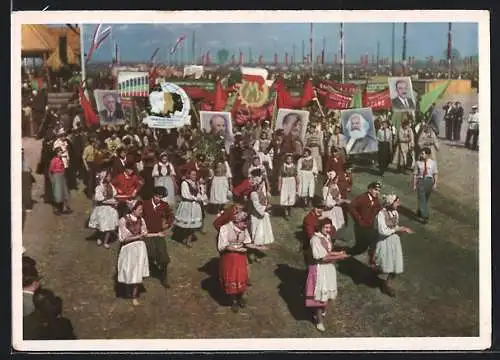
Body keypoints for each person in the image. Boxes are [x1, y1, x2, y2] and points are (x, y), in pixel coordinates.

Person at [305, 218, 349, 332]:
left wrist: (338, 253)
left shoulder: (326, 237)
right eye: (326, 227)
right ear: (320, 227)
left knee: (327, 293)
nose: (328, 230)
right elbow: (323, 257)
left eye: (329, 227)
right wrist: (339, 257)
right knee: (320, 296)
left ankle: (320, 312)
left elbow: (328, 252)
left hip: (328, 268)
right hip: (320, 269)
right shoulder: (315, 240)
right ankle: (319, 321)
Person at [217, 211, 267, 313]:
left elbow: (247, 242)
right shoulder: (225, 228)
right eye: (244, 223)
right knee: (231, 278)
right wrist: (237, 249)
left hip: (240, 258)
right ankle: (233, 301)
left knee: (241, 277)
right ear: (237, 221)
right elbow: (222, 246)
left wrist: (258, 247)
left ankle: (241, 296)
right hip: (229, 258)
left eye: (246, 223)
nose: (245, 225)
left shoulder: (243, 229)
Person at [374, 194, 413, 297]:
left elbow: (395, 226)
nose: (399, 204)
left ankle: (387, 284)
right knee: (386, 262)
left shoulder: (395, 213)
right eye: (397, 202)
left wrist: (401, 229)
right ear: (391, 203)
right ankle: (377, 271)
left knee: (395, 264)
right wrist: (398, 229)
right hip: (385, 241)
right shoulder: (381, 214)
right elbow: (382, 230)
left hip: (394, 240)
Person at [116, 201, 150, 306]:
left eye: (142, 209)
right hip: (128, 249)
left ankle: (134, 295)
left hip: (140, 248)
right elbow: (124, 238)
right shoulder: (123, 220)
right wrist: (138, 236)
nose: (141, 211)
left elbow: (145, 231)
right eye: (139, 209)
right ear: (133, 210)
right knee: (128, 270)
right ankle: (127, 290)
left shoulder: (141, 220)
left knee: (137, 272)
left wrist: (144, 234)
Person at [142, 186, 174, 289]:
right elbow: (139, 217)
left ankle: (164, 278)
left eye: (160, 197)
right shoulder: (145, 204)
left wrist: (167, 225)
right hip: (147, 234)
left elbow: (171, 216)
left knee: (164, 257)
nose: (157, 199)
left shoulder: (164, 206)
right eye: (156, 196)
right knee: (149, 253)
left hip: (159, 233)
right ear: (153, 194)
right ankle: (149, 268)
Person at [348, 181, 382, 267]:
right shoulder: (363, 198)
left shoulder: (376, 200)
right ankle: (344, 255)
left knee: (372, 242)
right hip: (361, 227)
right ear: (370, 189)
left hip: (370, 226)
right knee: (360, 247)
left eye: (378, 190)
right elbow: (351, 206)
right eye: (375, 190)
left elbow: (379, 209)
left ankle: (372, 261)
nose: (377, 192)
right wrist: (359, 219)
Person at [88, 171, 119, 249]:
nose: (110, 178)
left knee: (109, 226)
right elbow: (98, 197)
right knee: (101, 225)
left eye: (110, 176)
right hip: (102, 208)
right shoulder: (100, 187)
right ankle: (100, 237)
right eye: (108, 176)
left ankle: (106, 241)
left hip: (110, 209)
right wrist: (106, 200)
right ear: (104, 177)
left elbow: (115, 194)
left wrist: (114, 200)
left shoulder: (111, 186)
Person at [174, 169, 204, 248]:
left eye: (195, 174)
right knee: (186, 223)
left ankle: (189, 240)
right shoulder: (185, 183)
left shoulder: (196, 183)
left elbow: (198, 193)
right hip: (187, 205)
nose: (194, 176)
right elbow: (185, 195)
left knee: (192, 224)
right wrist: (195, 198)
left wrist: (200, 197)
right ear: (189, 175)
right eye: (193, 174)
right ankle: (183, 237)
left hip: (195, 206)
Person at [412, 147, 438, 224]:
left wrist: (435, 183)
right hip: (421, 181)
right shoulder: (418, 163)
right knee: (422, 199)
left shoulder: (433, 163)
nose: (421, 155)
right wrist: (414, 185)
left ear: (428, 155)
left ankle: (420, 211)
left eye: (423, 153)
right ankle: (425, 216)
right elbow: (415, 175)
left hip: (429, 181)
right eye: (421, 153)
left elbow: (435, 173)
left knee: (425, 199)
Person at [248, 175, 275, 248]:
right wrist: (265, 208)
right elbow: (256, 205)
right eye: (259, 184)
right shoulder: (253, 194)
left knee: (262, 227)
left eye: (261, 184)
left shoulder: (261, 192)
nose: (261, 186)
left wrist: (267, 206)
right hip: (256, 214)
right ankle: (255, 241)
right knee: (256, 228)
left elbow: (263, 201)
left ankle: (261, 241)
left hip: (262, 213)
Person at [48, 147, 72, 215]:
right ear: (56, 153)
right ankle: (56, 209)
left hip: (62, 176)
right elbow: (51, 170)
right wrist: (53, 178)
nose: (61, 153)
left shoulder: (60, 159)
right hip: (56, 177)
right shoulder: (54, 160)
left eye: (61, 152)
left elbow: (63, 167)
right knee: (57, 192)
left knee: (63, 192)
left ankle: (63, 208)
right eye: (59, 152)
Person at [278, 153, 299, 220]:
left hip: (292, 182)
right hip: (285, 182)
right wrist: (279, 186)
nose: (289, 160)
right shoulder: (282, 167)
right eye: (288, 159)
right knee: (285, 196)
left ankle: (290, 210)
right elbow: (280, 177)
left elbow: (296, 176)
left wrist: (297, 184)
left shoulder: (294, 167)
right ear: (285, 159)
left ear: (292, 160)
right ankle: (286, 212)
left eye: (290, 159)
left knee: (291, 196)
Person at [22, 148, 35, 212]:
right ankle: (27, 206)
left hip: (25, 174)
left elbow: (28, 168)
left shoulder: (23, 159)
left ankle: (28, 206)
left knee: (26, 191)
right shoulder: (23, 159)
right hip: (25, 173)